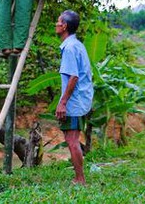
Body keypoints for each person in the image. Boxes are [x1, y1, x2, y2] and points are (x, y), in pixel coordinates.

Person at [55, 10, 93, 185]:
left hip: (75, 101)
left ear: (64, 26)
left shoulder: (70, 48)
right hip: (79, 99)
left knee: (72, 140)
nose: (56, 24)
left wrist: (63, 102)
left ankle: (80, 179)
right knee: (72, 139)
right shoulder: (76, 45)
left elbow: (73, 77)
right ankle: (79, 177)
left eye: (58, 22)